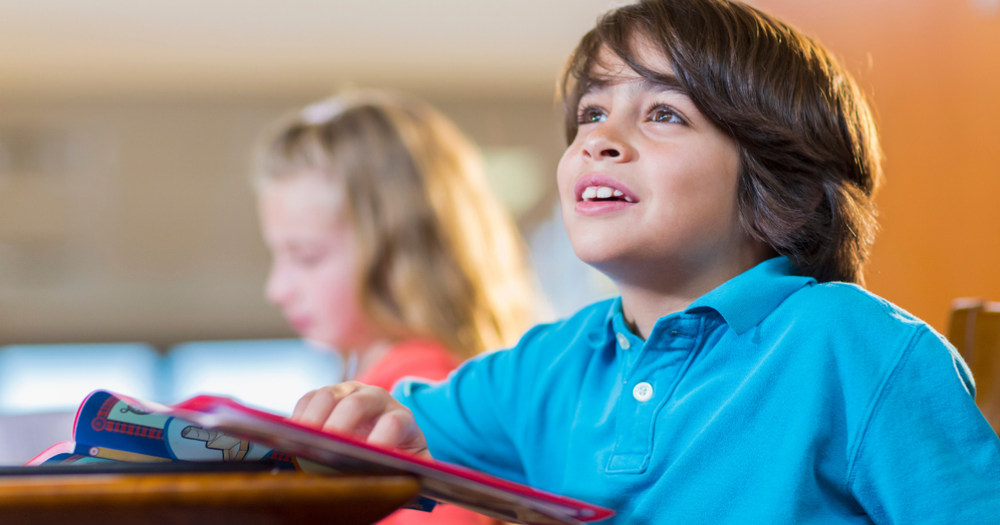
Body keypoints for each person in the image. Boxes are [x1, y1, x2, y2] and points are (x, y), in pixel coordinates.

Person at [289, 1, 1000, 523]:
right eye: (592, 114)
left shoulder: (854, 343)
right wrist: (373, 415)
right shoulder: (553, 363)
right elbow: (411, 429)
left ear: (779, 185)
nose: (600, 139)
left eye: (665, 114)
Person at [254, 90, 536, 524]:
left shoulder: (411, 408)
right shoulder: (397, 392)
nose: (277, 288)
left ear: (398, 253)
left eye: (305, 256)